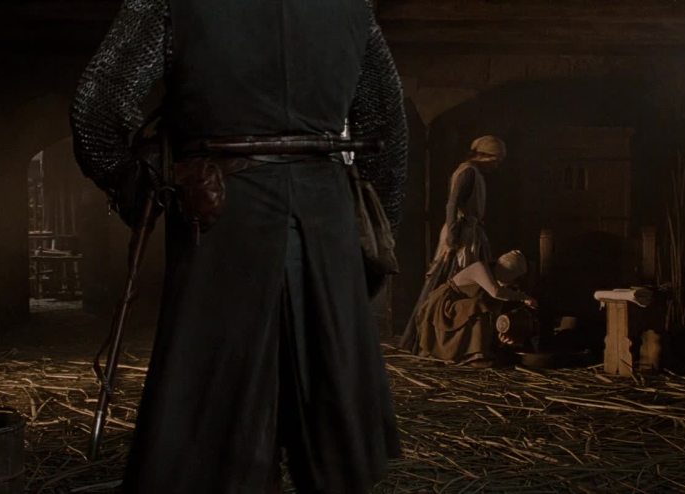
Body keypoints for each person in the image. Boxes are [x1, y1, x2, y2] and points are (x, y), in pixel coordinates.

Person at [70, 1, 407, 492]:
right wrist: (369, 240)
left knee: (215, 415)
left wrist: (148, 185)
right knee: (327, 410)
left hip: (222, 214)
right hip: (323, 218)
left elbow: (96, 111)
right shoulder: (349, 5)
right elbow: (387, 128)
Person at [399, 135, 506, 353]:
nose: (496, 166)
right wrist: (453, 237)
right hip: (461, 235)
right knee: (447, 285)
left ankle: (463, 342)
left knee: (470, 285)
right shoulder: (468, 172)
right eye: (496, 160)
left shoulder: (475, 174)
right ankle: (424, 340)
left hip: (470, 233)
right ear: (486, 157)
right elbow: (453, 204)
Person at [415, 250, 536, 367]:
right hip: (446, 304)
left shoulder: (497, 284)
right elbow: (496, 292)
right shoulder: (480, 268)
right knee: (477, 306)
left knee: (478, 306)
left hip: (462, 308)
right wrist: (523, 297)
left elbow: (494, 313)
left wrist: (500, 334)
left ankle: (475, 354)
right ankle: (475, 355)